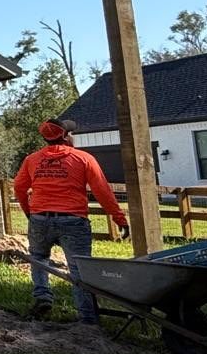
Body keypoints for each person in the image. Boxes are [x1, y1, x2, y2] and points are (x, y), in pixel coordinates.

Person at [13, 119, 129, 321]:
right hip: (73, 220)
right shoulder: (83, 158)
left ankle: (43, 296)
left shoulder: (32, 160)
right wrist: (120, 219)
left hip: (40, 218)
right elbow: (102, 191)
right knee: (79, 269)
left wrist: (29, 212)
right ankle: (87, 318)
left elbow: (19, 188)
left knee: (39, 258)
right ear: (66, 136)